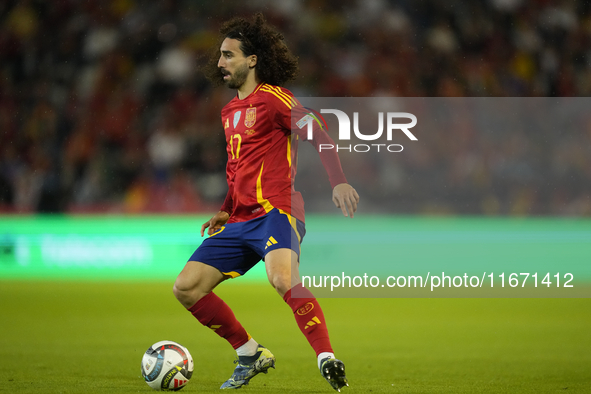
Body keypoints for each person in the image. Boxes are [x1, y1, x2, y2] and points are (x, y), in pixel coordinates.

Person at [173, 13, 359, 391]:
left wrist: (338, 182)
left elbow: (319, 133)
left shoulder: (275, 100)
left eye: (228, 55)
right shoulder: (228, 112)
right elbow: (237, 167)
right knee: (186, 287)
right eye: (220, 56)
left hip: (277, 211)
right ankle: (248, 353)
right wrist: (226, 207)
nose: (220, 63)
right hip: (239, 220)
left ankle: (326, 358)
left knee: (282, 278)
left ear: (252, 59)